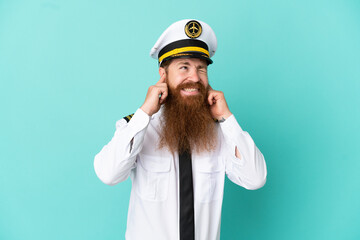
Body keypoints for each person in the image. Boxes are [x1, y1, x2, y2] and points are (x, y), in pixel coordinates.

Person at [94, 19, 267, 240]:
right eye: (184, 67)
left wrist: (227, 118)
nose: (194, 78)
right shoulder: (138, 127)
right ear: (163, 75)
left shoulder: (221, 131)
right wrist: (145, 112)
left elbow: (255, 179)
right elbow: (108, 174)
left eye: (201, 69)